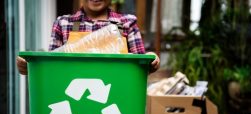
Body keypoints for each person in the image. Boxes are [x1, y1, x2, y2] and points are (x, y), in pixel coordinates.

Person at [16, 0, 160, 75]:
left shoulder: (127, 23)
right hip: (72, 97)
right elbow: (52, 68)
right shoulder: (64, 23)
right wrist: (30, 67)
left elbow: (140, 70)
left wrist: (150, 61)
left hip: (116, 97)